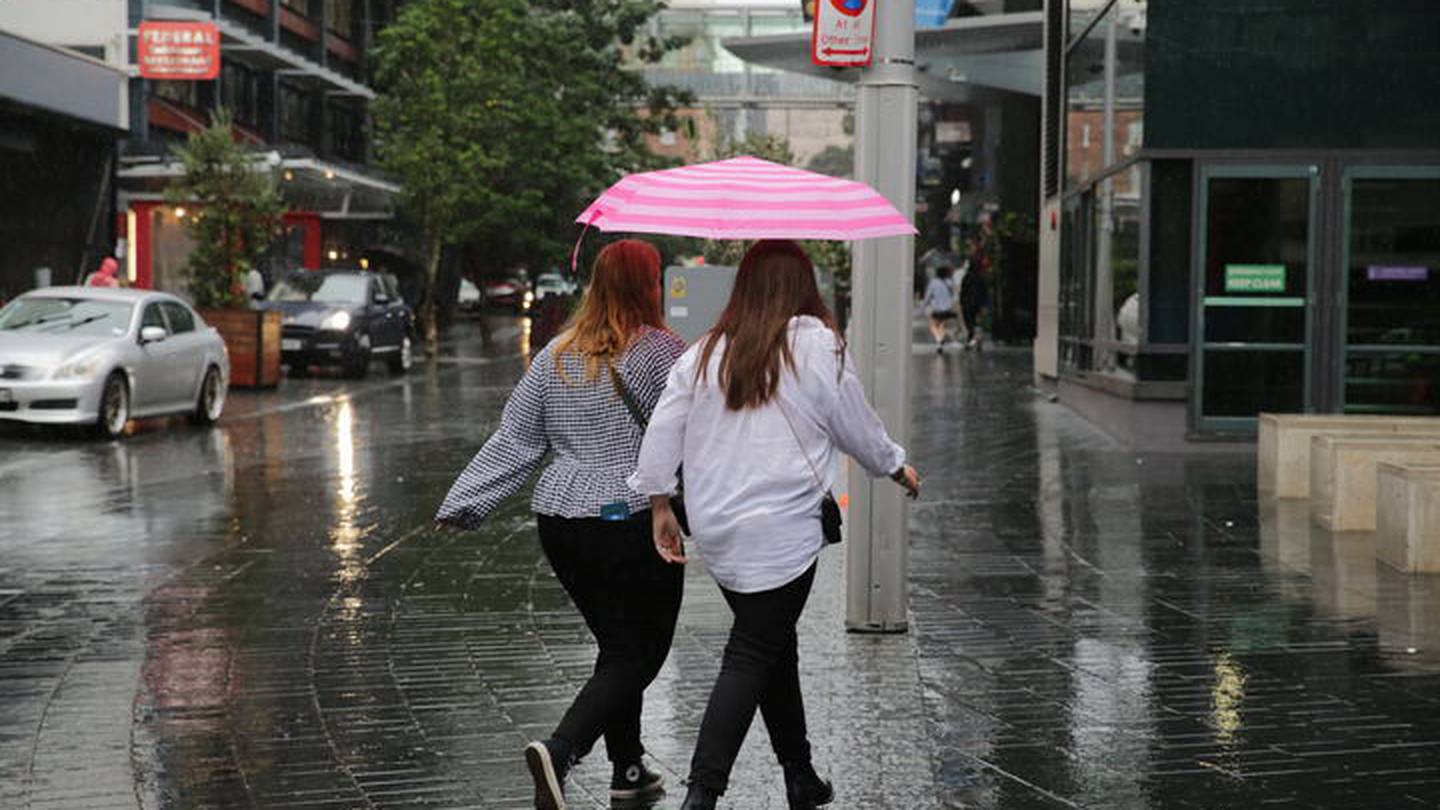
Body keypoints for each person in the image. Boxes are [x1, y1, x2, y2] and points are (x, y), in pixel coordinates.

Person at [629, 240, 921, 810]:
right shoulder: (817, 345)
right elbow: (854, 424)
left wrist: (661, 503)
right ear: (803, 286)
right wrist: (894, 466)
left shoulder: (706, 351)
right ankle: (702, 794)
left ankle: (799, 775)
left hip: (718, 529)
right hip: (782, 529)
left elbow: (664, 430)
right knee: (752, 651)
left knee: (770, 643)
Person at [435, 239, 686, 810]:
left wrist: (465, 502)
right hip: (630, 518)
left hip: (560, 523)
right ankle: (563, 748)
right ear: (647, 286)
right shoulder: (661, 352)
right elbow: (695, 431)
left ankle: (627, 768)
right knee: (640, 653)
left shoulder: (556, 354)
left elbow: (517, 438)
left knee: (616, 646)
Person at [920, 264, 958, 353]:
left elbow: (928, 296)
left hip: (937, 309)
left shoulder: (933, 282)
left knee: (933, 326)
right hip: (948, 309)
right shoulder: (950, 282)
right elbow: (954, 296)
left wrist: (923, 307)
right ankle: (942, 338)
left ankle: (939, 341)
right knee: (943, 325)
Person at [959, 259, 990, 351]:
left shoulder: (967, 277)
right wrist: (985, 304)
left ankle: (972, 340)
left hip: (968, 304)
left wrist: (961, 302)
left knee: (970, 323)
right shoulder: (981, 278)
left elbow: (963, 291)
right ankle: (976, 340)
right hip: (978, 304)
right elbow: (985, 292)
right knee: (976, 323)